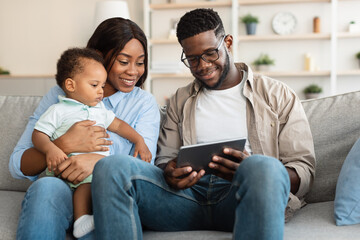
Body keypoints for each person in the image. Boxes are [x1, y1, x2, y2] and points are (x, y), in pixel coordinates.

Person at [91, 8, 316, 240]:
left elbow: (304, 170)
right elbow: (163, 162)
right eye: (192, 59)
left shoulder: (277, 95)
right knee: (112, 167)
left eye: (210, 53)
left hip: (242, 199)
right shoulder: (180, 99)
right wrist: (170, 172)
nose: (202, 65)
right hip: (185, 199)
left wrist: (251, 173)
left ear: (228, 43)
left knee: (263, 166)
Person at [9, 17, 160, 240]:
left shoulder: (143, 104)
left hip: (106, 193)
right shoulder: (60, 96)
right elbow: (17, 164)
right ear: (99, 57)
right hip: (59, 186)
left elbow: (143, 167)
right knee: (46, 188)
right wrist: (64, 144)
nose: (133, 72)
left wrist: (98, 163)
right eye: (123, 61)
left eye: (140, 62)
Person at [32, 47, 152, 238]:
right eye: (94, 85)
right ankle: (82, 220)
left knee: (97, 184)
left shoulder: (99, 110)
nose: (100, 92)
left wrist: (139, 140)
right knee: (85, 185)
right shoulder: (58, 110)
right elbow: (38, 134)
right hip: (63, 168)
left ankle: (86, 219)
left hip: (95, 172)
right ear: (71, 85)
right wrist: (51, 149)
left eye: (102, 86)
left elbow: (119, 126)